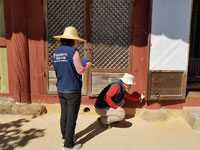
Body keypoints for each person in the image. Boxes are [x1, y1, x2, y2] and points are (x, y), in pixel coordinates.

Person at [53, 26, 91, 150]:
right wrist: (87, 66)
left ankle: (65, 138)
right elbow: (80, 70)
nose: (77, 43)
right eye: (76, 41)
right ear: (73, 41)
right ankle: (69, 145)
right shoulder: (73, 52)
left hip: (61, 88)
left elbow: (63, 67)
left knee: (64, 114)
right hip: (72, 89)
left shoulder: (56, 53)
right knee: (71, 117)